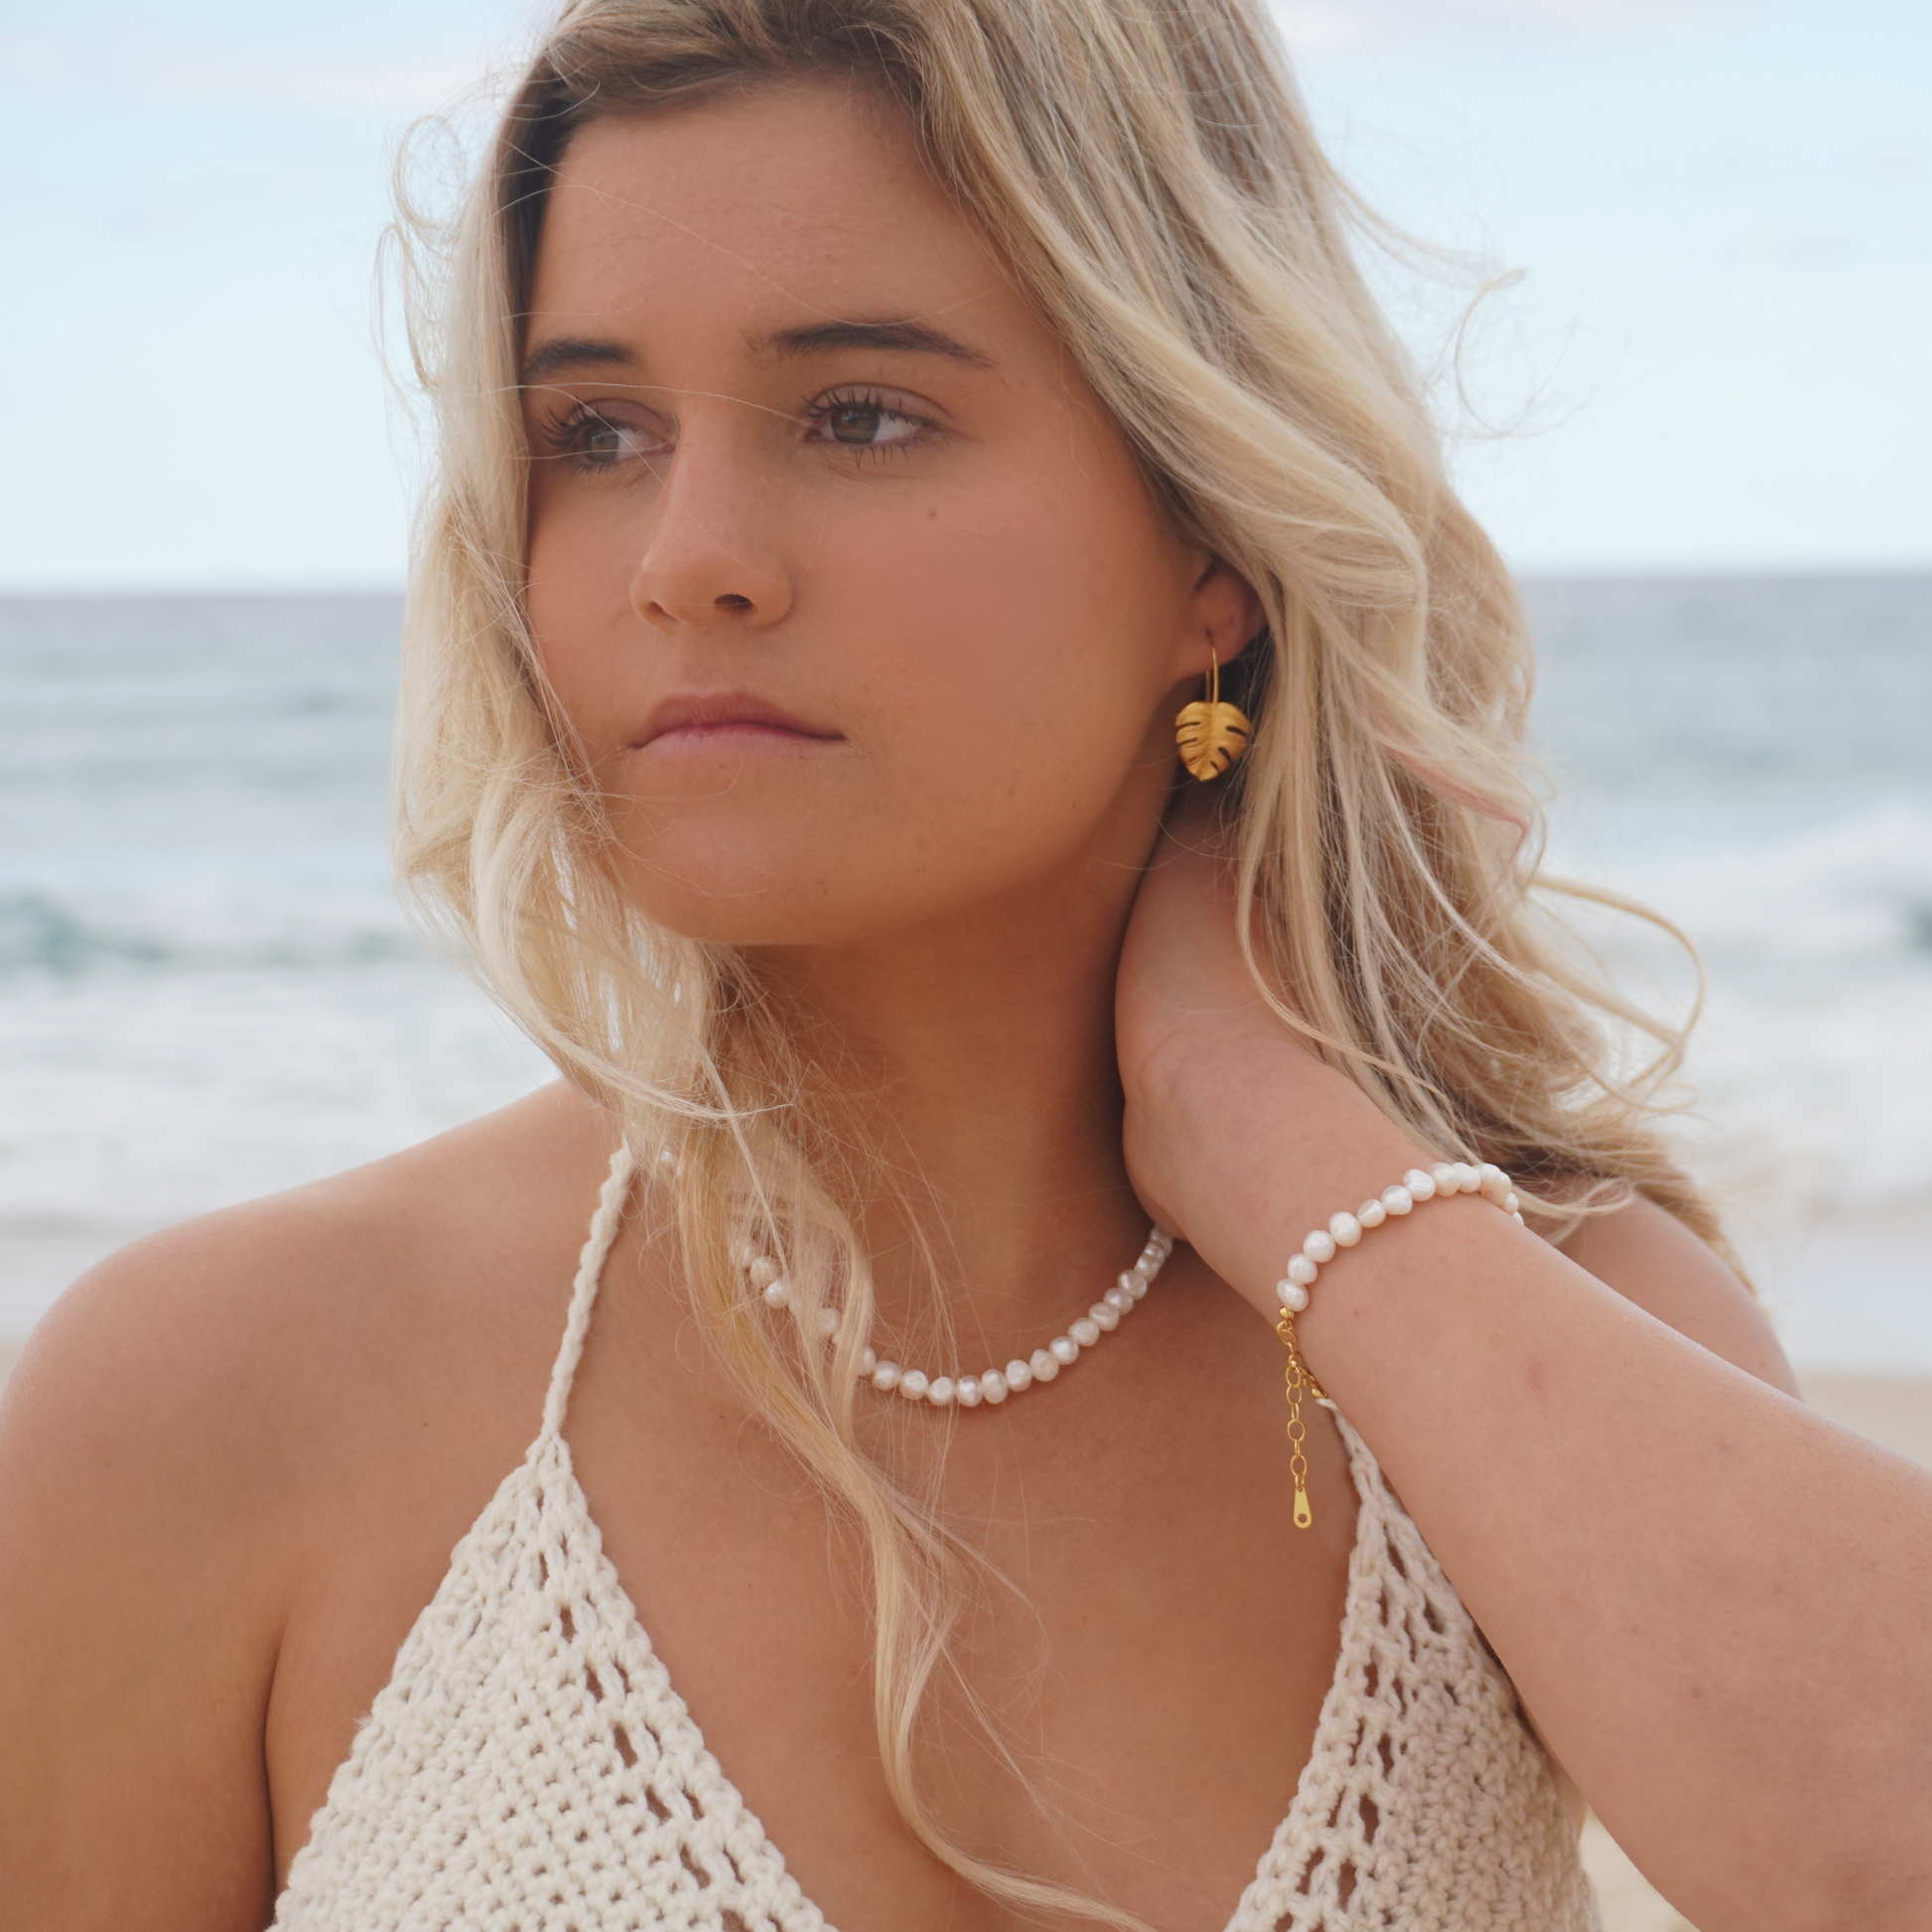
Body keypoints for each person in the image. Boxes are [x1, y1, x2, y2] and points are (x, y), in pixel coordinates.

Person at [2, 1, 1928, 1926]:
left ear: (1212, 536)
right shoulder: (218, 1404)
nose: (689, 554)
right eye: (596, 431)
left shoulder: (1527, 1334)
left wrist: (1272, 1137)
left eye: (857, 413)